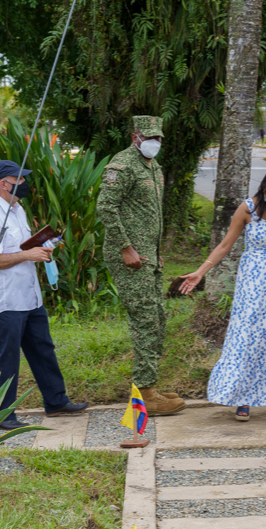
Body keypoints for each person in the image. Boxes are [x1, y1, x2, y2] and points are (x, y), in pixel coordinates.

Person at [178, 168, 266, 421]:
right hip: (253, 283)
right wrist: (201, 272)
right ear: (264, 188)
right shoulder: (247, 209)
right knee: (249, 335)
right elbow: (225, 245)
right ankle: (242, 397)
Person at [0, 160, 89, 429]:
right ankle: (3, 415)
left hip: (29, 297)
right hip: (6, 300)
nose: (24, 185)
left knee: (42, 349)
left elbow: (22, 247)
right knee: (8, 357)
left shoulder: (17, 209)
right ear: (4, 183)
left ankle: (56, 401)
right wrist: (28, 254)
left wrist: (42, 247)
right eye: (20, 180)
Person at [96, 115, 186, 415]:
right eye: (149, 137)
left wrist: (155, 250)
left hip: (148, 254)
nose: (155, 143)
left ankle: (149, 386)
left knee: (157, 318)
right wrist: (126, 247)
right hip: (129, 257)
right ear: (135, 136)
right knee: (146, 319)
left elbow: (149, 213)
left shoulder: (153, 166)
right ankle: (144, 394)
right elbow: (105, 207)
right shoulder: (121, 165)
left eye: (158, 138)